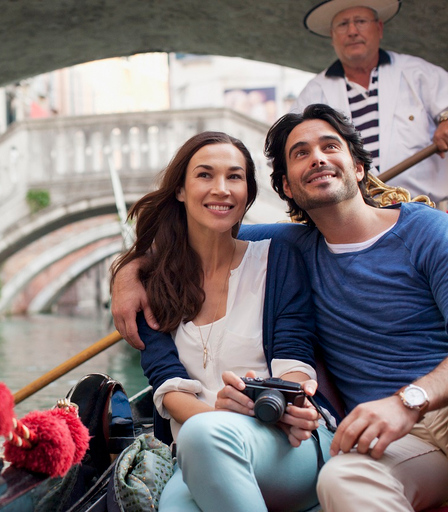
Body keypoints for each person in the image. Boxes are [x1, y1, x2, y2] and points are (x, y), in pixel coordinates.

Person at [112, 103, 448, 511]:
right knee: (344, 482)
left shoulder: (427, 231)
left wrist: (406, 401)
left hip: (432, 405)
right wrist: (130, 270)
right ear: (287, 187)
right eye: (301, 153)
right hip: (385, 437)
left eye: (330, 146)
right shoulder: (296, 245)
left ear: (358, 167)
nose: (318, 158)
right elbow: (202, 232)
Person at [110, 131, 334, 511]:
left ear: (248, 192)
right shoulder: (151, 284)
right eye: (205, 175)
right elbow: (167, 385)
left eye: (234, 177)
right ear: (180, 190)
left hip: (284, 439)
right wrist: (219, 416)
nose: (222, 189)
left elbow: (294, 362)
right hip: (199, 449)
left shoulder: (277, 260)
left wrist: (275, 402)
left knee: (201, 437)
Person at [293, 0, 448, 202]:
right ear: (333, 36)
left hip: (427, 208)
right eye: (342, 24)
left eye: (360, 21)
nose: (352, 31)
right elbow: (285, 151)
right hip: (357, 216)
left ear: (379, 28)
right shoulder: (313, 93)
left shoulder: (417, 73)